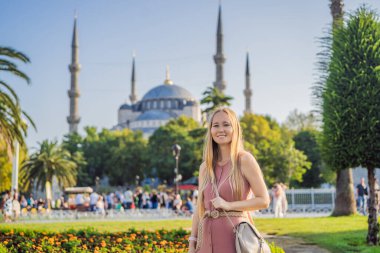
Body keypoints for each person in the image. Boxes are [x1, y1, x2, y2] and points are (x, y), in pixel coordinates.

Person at [188, 108, 270, 253]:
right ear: (210, 130)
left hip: (235, 240)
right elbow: (200, 208)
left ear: (235, 128)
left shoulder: (245, 160)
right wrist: (192, 241)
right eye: (216, 125)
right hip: (205, 242)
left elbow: (264, 200)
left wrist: (228, 205)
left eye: (226, 124)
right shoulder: (205, 168)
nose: (220, 130)